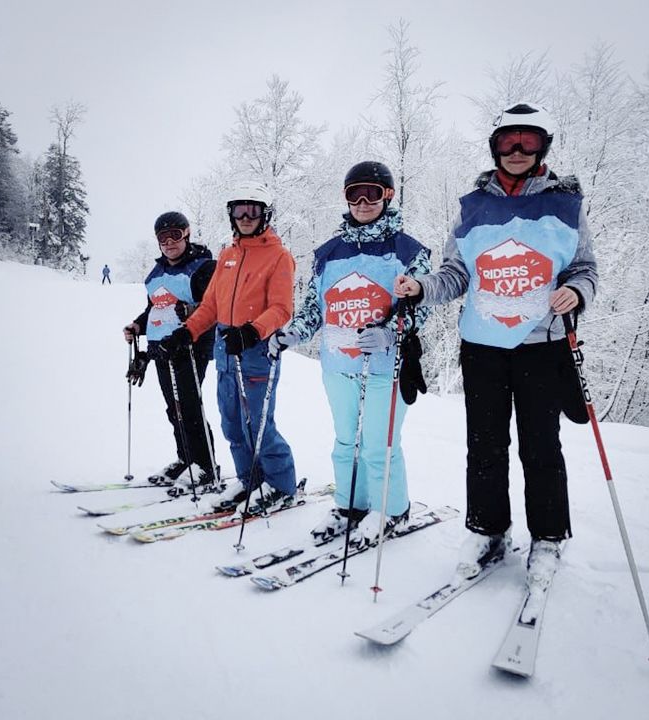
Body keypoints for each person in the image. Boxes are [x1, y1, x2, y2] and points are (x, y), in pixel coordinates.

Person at [394, 102, 598, 585]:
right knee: (484, 444)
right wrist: (422, 287)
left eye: (529, 141)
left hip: (542, 344)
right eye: (508, 141)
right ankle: (488, 530)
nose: (517, 150)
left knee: (540, 446)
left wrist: (576, 292)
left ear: (543, 147)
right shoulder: (473, 207)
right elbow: (456, 273)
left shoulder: (566, 205)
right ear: (495, 147)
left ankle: (548, 537)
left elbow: (584, 269)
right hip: (482, 348)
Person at [269, 161, 431, 548]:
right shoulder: (328, 253)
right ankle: (350, 505)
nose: (362, 202)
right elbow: (314, 308)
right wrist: (293, 333)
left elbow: (420, 307)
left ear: (387, 196)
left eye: (371, 193)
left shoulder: (408, 250)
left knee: (378, 444)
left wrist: (391, 332)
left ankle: (392, 509)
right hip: (338, 363)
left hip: (384, 365)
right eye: (354, 194)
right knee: (345, 442)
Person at [159, 182, 297, 513]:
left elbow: (282, 309)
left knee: (258, 424)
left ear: (265, 214)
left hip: (256, 350)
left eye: (253, 210)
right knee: (231, 423)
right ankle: (249, 480)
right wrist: (186, 333)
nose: (245, 217)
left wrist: (252, 332)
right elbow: (211, 306)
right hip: (225, 349)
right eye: (239, 210)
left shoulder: (279, 256)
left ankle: (280, 485)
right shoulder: (228, 256)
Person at [123, 211, 217, 491]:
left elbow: (213, 307)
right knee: (174, 408)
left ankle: (205, 465)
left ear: (186, 234)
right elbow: (155, 309)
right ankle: (186, 459)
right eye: (163, 238)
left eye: (174, 235)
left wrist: (190, 311)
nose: (169, 243)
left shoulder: (202, 267)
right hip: (161, 348)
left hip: (190, 346)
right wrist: (137, 326)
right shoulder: (155, 275)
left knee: (189, 405)